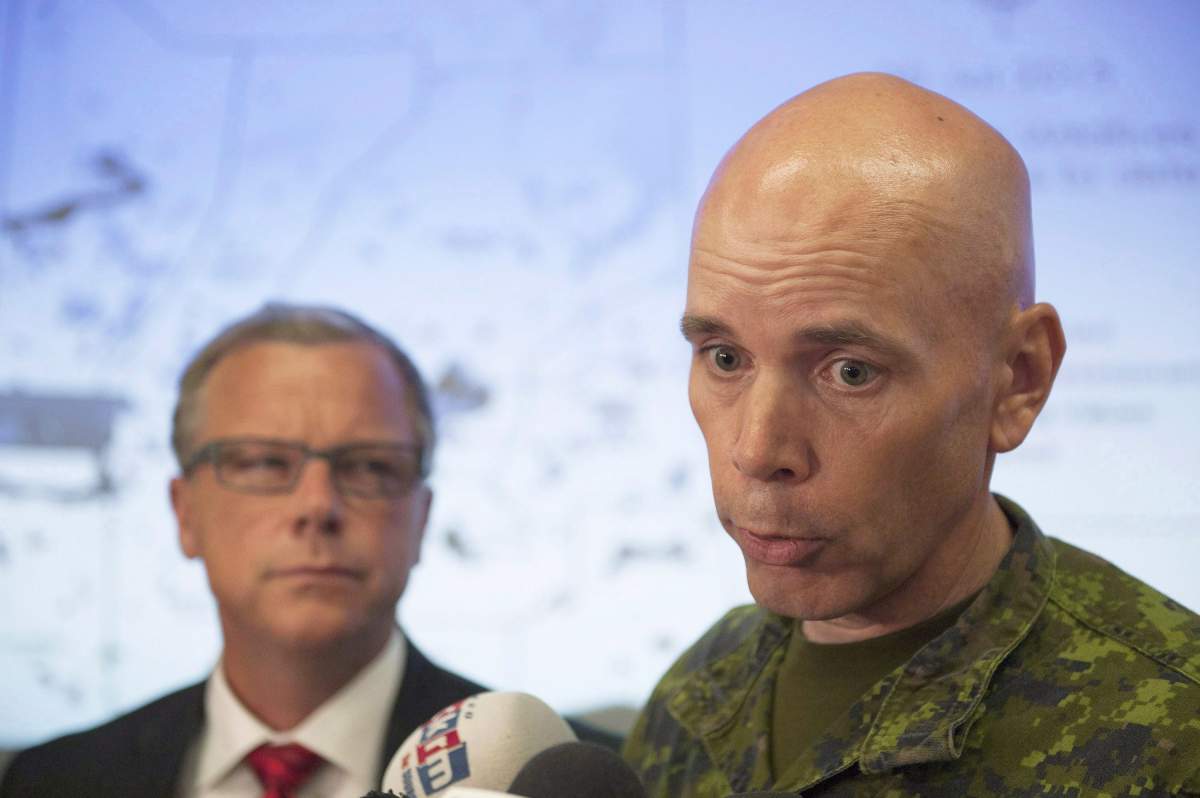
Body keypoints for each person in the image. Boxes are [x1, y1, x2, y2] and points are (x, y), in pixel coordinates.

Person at [622, 73, 1200, 796]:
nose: (759, 450)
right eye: (726, 358)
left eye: (851, 372)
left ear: (1018, 379)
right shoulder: (701, 688)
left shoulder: (1173, 738)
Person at [1, 304, 611, 798]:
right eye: (265, 463)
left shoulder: (554, 776)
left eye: (370, 467)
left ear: (421, 517)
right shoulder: (51, 781)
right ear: (185, 513)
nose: (317, 506)